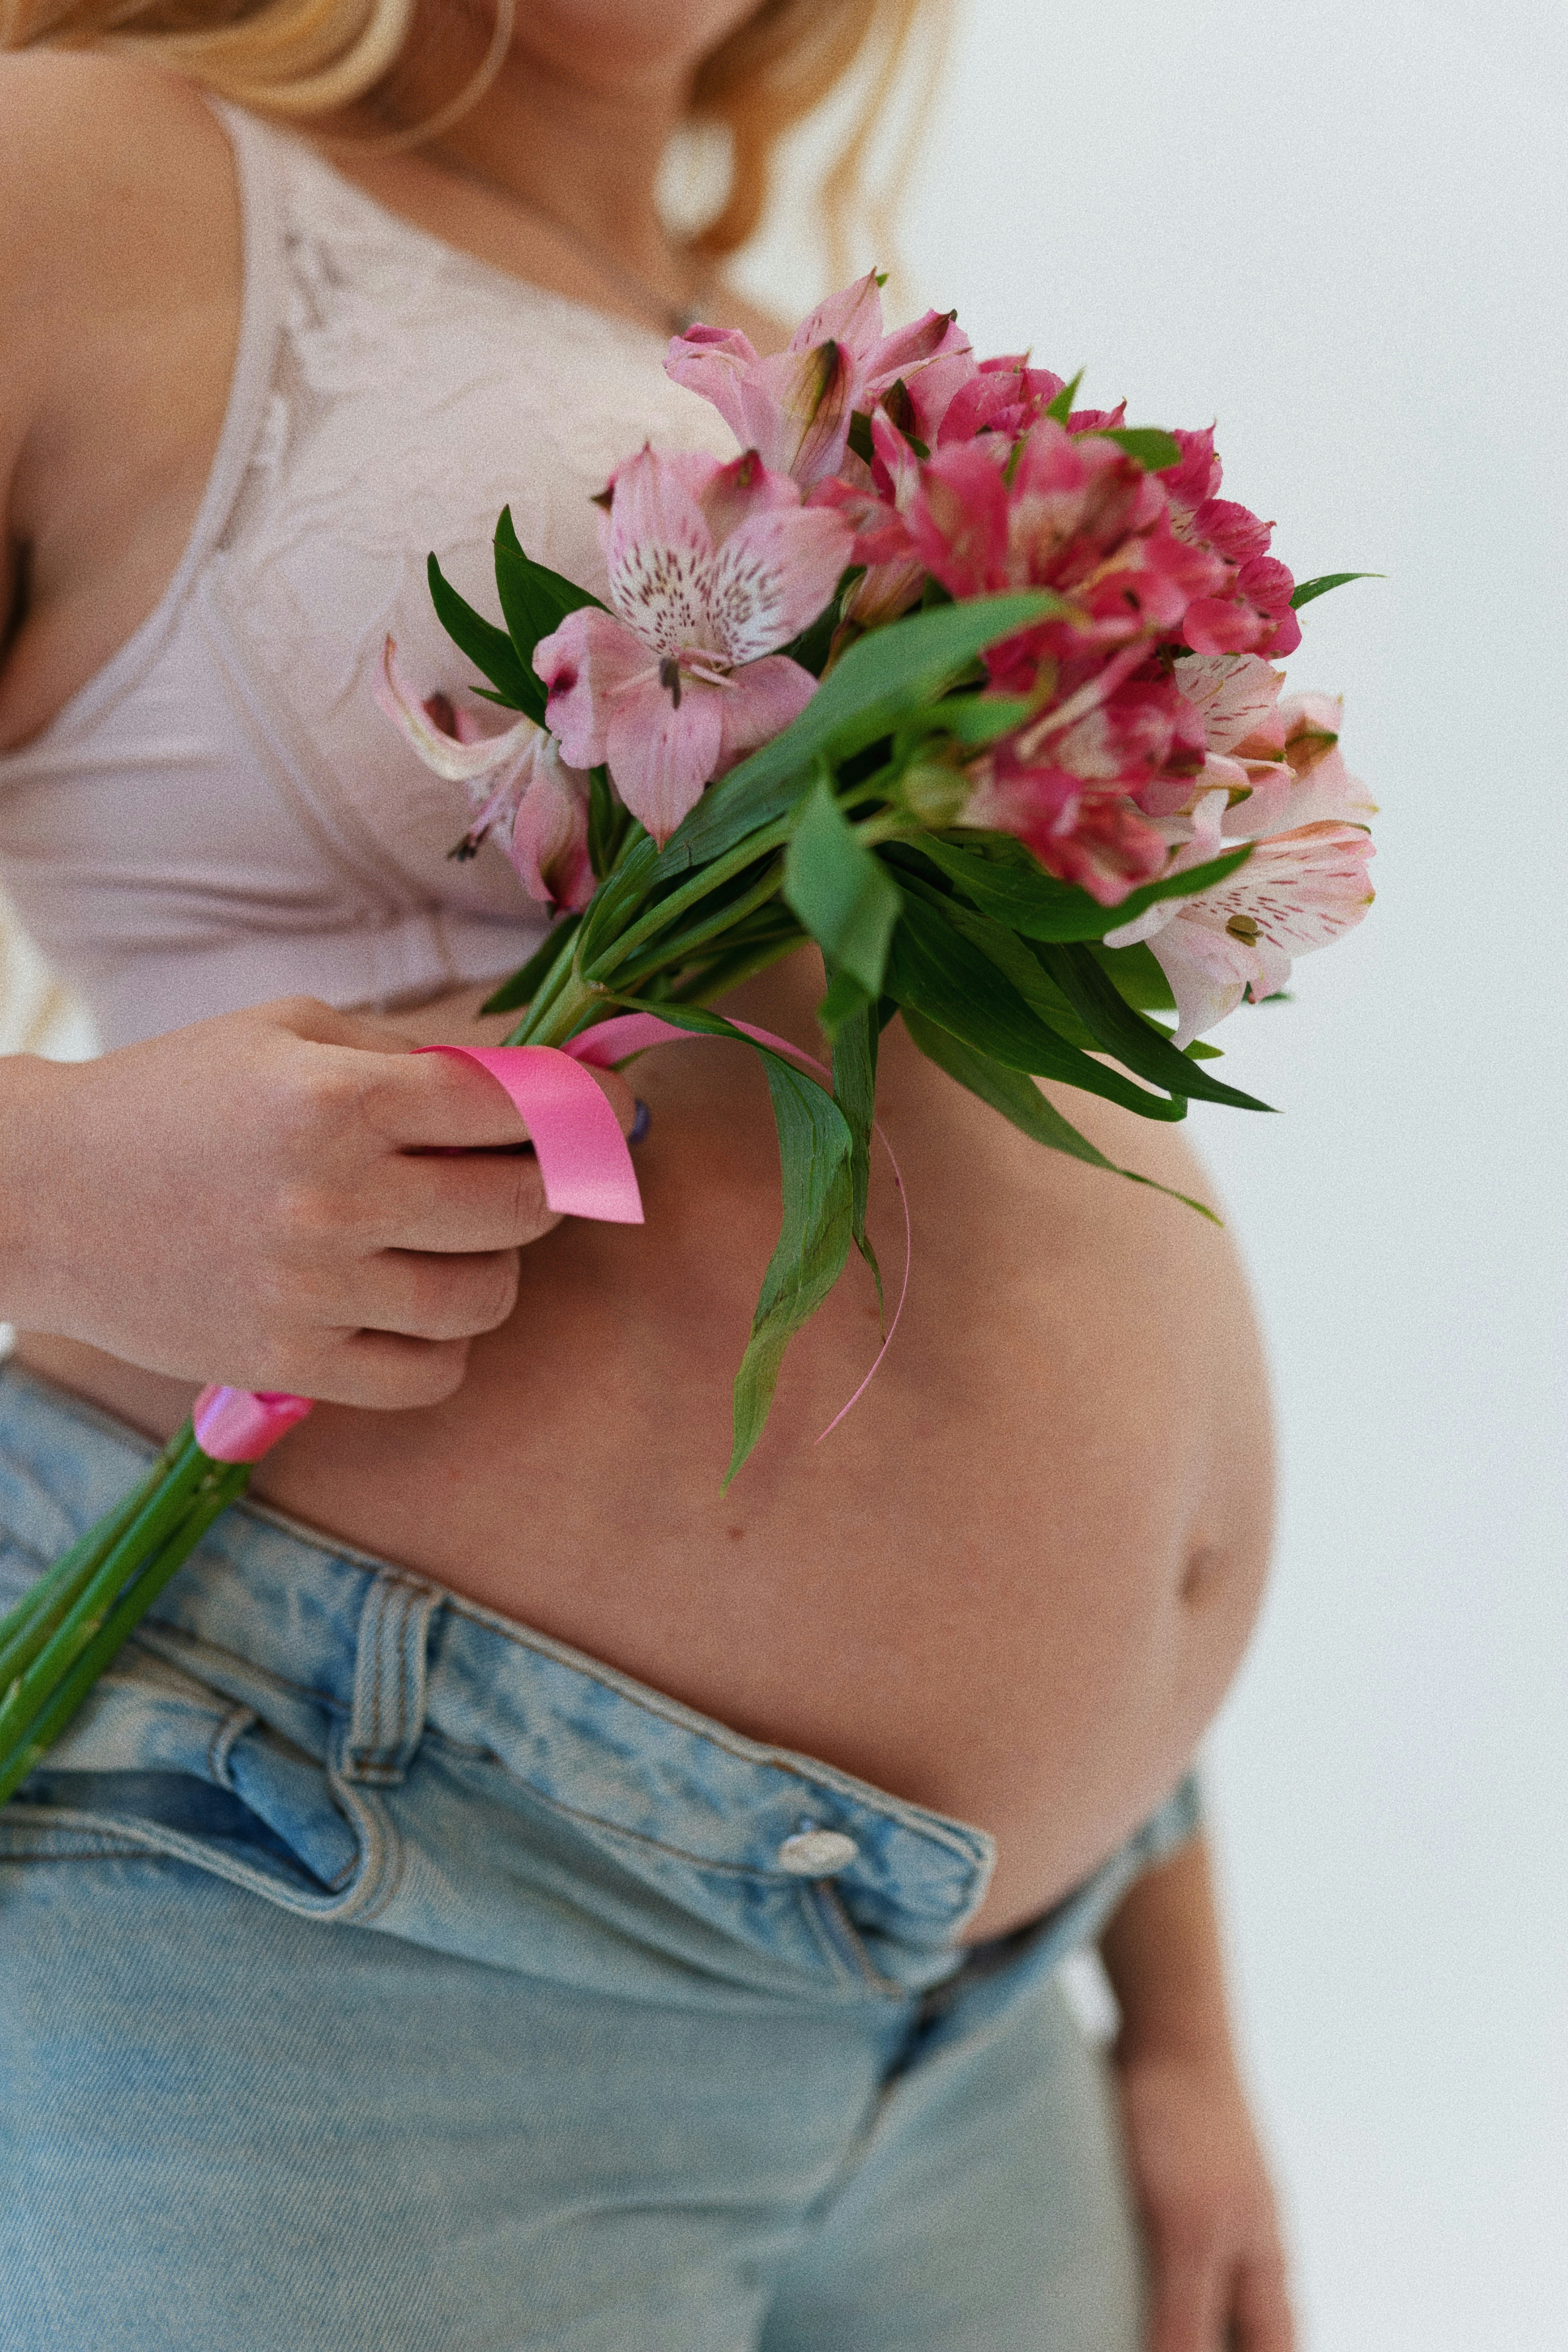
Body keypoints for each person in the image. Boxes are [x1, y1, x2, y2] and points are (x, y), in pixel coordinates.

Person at [0, 3, 1295, 2345]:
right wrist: (56, 1182)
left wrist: (1181, 2023)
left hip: (986, 2008)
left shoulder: (764, 326)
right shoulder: (74, 172)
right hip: (357, 1938)